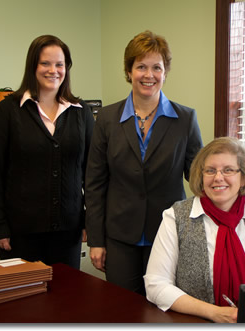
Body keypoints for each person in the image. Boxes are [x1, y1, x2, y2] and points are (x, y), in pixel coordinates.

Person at [85, 30, 203, 295]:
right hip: (119, 237)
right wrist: (96, 240)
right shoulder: (106, 118)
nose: (149, 75)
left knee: (162, 310)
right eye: (141, 67)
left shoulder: (185, 119)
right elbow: (94, 184)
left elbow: (199, 180)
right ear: (129, 71)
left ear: (165, 72)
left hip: (168, 234)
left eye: (156, 67)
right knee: (120, 310)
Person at [144, 137, 245, 323]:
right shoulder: (176, 217)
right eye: (210, 170)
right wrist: (214, 312)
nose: (218, 177)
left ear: (242, 177)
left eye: (228, 170)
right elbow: (156, 284)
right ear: (201, 177)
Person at [0, 35, 94, 269]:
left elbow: (92, 174)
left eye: (59, 64)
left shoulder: (81, 113)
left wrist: (89, 219)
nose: (53, 70)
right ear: (33, 66)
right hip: (20, 234)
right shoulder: (8, 111)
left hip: (68, 233)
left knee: (66, 300)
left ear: (66, 68)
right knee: (25, 303)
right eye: (45, 63)